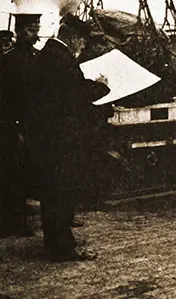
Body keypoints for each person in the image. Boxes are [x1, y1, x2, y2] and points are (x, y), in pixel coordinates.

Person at [24, 13, 111, 261]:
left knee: (54, 193)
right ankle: (61, 248)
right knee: (59, 192)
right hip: (58, 140)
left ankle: (58, 243)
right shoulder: (60, 59)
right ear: (73, 38)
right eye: (82, 43)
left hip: (47, 138)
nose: (83, 48)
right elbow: (74, 94)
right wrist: (101, 86)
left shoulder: (48, 55)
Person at [0, 14, 41, 238]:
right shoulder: (9, 60)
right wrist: (14, 126)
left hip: (31, 124)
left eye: (37, 29)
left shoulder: (35, 57)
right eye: (31, 30)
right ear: (19, 30)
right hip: (13, 126)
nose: (35, 34)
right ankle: (12, 222)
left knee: (24, 173)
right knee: (11, 175)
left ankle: (19, 220)